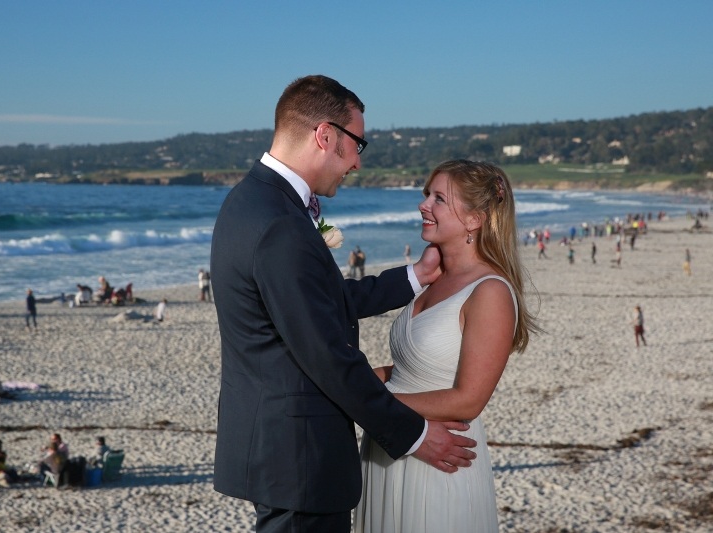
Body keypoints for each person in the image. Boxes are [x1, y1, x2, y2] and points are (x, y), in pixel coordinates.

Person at [209, 75, 476, 533]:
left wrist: (415, 277)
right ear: (325, 135)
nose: (356, 162)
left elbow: (320, 302)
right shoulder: (281, 226)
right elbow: (327, 354)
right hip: (300, 457)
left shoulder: (254, 202)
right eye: (358, 144)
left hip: (277, 447)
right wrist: (412, 435)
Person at [356, 160, 539, 532]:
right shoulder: (432, 279)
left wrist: (364, 402)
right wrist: (352, 379)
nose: (424, 205)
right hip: (389, 448)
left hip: (438, 457)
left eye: (439, 198)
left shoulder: (490, 291)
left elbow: (468, 399)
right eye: (427, 195)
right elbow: (411, 369)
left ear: (474, 219)